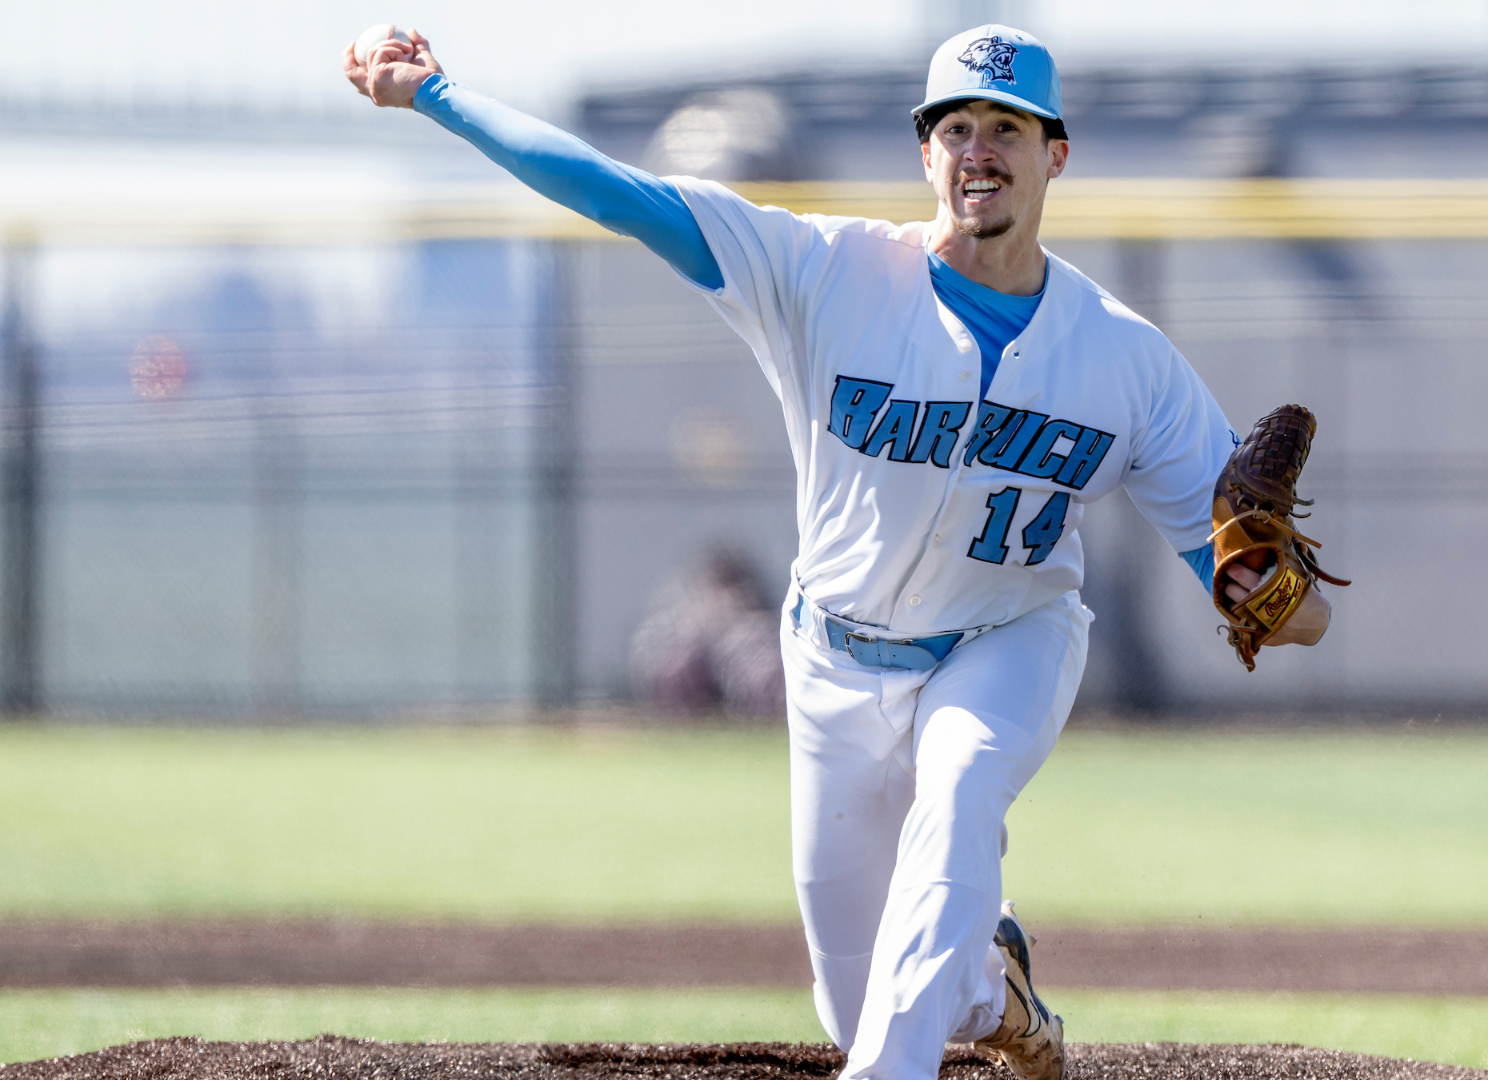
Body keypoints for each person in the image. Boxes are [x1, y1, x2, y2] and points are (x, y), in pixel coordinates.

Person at [344, 23, 1308, 1080]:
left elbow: (1284, 599)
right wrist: (436, 97)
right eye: (954, 127)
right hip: (836, 659)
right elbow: (617, 193)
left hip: (1006, 638)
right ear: (925, 154)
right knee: (855, 1003)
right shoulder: (826, 273)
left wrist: (1266, 589)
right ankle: (995, 990)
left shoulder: (1125, 360)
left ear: (1055, 155)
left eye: (1007, 127)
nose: (977, 148)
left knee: (961, 791)